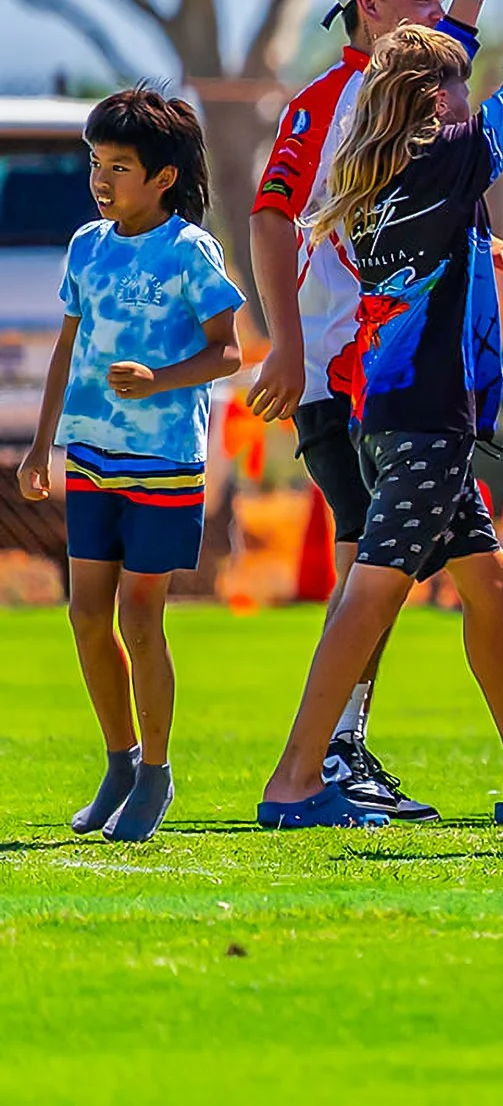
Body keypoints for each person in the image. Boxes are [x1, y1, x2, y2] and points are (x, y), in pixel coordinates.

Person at [259, 0, 503, 830]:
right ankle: (297, 780)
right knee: (375, 584)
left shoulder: (390, 157)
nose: (471, 96)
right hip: (423, 413)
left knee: (494, 584)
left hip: (403, 410)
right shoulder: (445, 154)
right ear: (435, 99)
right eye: (460, 84)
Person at [241, 0, 499, 822]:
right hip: (347, 375)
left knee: (477, 577)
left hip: (393, 372)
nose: (438, 2)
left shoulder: (408, 86)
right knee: (369, 565)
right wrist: (288, 341)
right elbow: (272, 218)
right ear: (369, 5)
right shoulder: (330, 101)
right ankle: (325, 759)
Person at [17, 91, 243, 842]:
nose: (102, 179)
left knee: (141, 619)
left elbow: (229, 351)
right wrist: (40, 446)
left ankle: (156, 771)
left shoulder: (188, 250)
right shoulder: (86, 245)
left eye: (120, 166)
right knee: (86, 615)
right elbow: (66, 348)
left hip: (164, 463)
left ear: (164, 177)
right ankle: (118, 760)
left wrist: (159, 379)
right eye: (96, 163)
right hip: (90, 459)